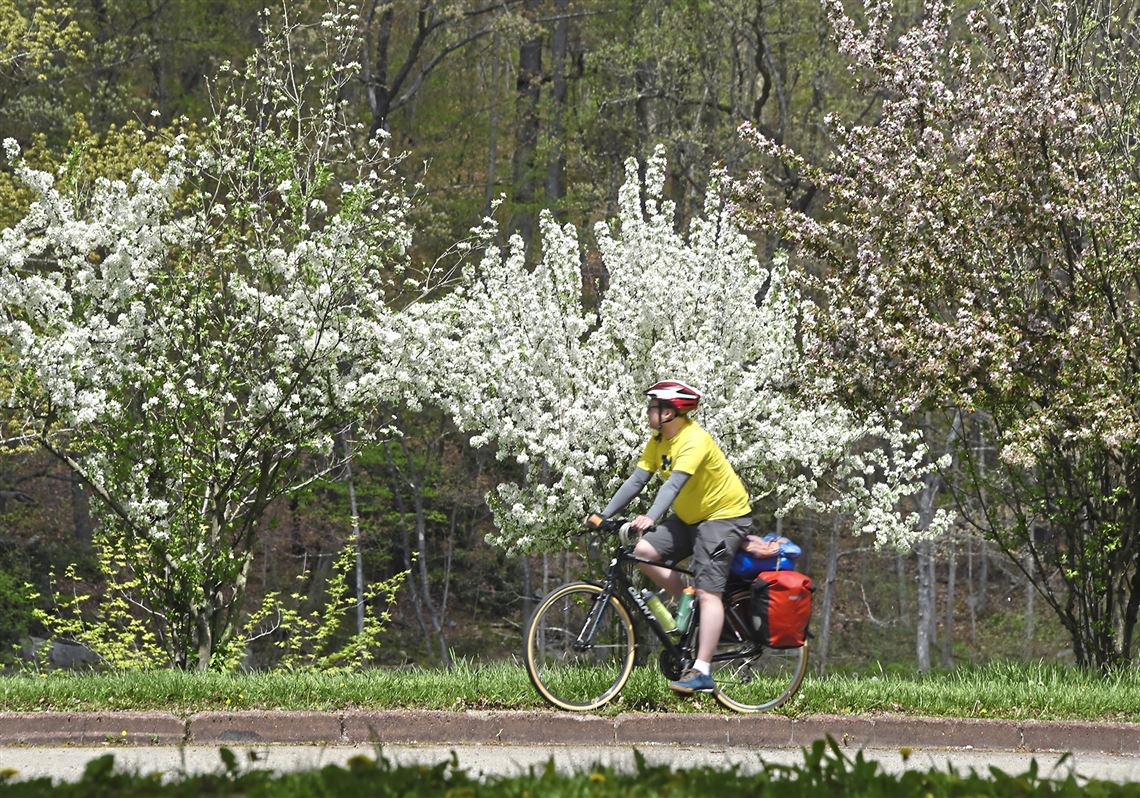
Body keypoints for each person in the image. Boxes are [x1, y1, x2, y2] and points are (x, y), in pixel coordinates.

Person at [587, 380, 752, 694]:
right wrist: (604, 515)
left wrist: (651, 516)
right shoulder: (659, 440)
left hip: (724, 517)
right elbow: (637, 480)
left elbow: (672, 486)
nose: (650, 412)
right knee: (643, 552)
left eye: (656, 407)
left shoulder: (693, 440)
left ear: (672, 412)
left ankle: (702, 671)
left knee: (709, 591)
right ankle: (685, 606)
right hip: (690, 518)